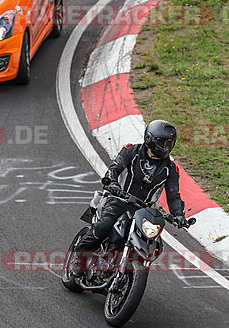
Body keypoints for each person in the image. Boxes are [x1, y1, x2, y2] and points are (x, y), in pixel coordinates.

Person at [70, 119, 188, 277]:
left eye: (169, 143)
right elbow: (115, 168)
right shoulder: (131, 150)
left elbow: (173, 196)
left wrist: (179, 215)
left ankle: (122, 269)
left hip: (144, 210)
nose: (166, 147)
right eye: (163, 143)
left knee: (153, 242)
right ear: (150, 140)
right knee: (104, 225)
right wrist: (113, 184)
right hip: (119, 200)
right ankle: (79, 257)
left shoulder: (171, 169)